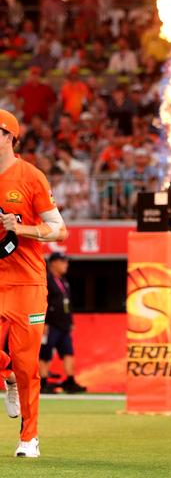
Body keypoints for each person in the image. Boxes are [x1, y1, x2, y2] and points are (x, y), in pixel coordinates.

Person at [0, 109, 68, 457]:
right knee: (15, 367)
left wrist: (21, 228)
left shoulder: (30, 176)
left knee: (28, 365)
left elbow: (60, 229)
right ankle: (6, 374)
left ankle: (29, 437)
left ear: (11, 137)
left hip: (26, 282)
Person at [39, 252, 86, 394]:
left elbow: (67, 303)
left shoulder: (64, 281)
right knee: (45, 354)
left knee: (68, 353)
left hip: (64, 325)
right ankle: (43, 381)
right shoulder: (46, 280)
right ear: (53, 263)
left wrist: (70, 320)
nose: (66, 264)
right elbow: (42, 302)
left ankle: (70, 381)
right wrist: (44, 322)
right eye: (63, 261)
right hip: (51, 324)